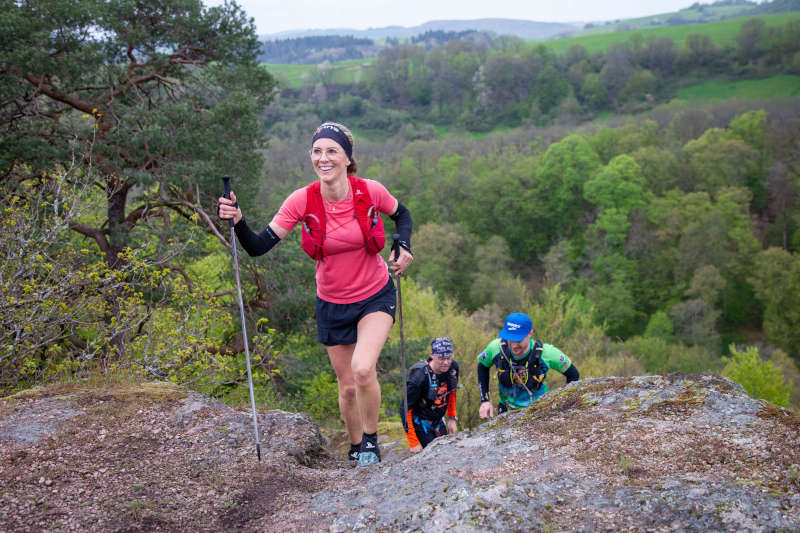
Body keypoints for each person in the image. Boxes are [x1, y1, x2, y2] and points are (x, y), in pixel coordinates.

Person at [217, 122, 414, 467]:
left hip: (375, 294)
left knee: (363, 369)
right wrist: (238, 220)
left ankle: (371, 441)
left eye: (332, 151)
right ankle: (355, 446)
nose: (323, 158)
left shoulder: (369, 191)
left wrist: (404, 244)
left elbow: (402, 215)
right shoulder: (302, 200)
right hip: (332, 302)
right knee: (348, 386)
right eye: (317, 151)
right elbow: (258, 246)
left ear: (348, 158)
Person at [477, 312, 579, 418]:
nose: (514, 345)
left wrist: (565, 402)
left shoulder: (547, 353)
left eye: (518, 339)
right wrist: (485, 400)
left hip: (541, 410)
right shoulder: (495, 348)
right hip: (506, 409)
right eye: (510, 338)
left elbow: (573, 374)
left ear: (530, 333)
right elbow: (482, 366)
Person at [403, 337, 459, 453]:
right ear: (432, 355)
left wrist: (452, 418)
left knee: (448, 452)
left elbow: (452, 392)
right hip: (421, 423)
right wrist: (413, 442)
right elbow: (404, 408)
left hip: (439, 421)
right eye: (441, 358)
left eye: (448, 358)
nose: (446, 362)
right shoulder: (419, 377)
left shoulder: (452, 368)